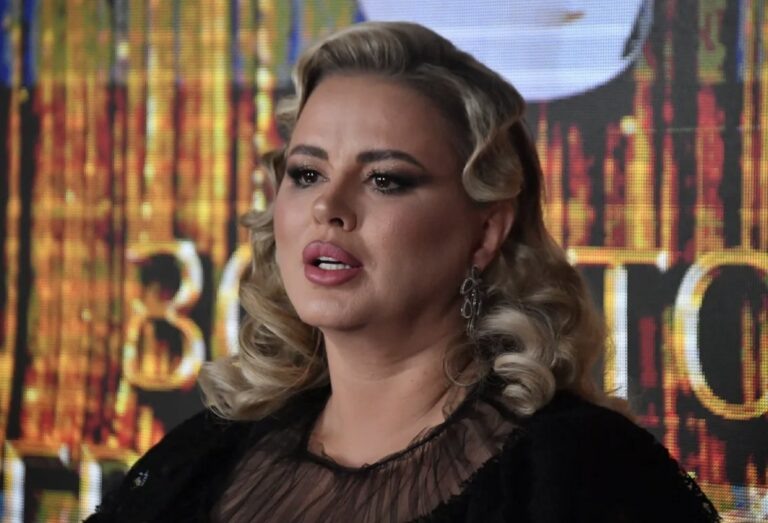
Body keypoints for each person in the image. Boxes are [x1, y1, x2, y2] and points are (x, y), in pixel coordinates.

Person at [88, 21, 720, 522]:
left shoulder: (578, 471)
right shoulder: (203, 459)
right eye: (306, 173)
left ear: (486, 231)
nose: (328, 207)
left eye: (385, 179)